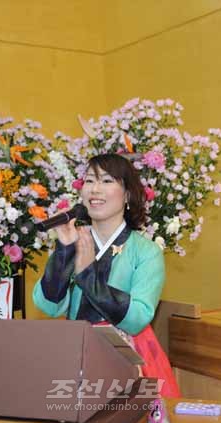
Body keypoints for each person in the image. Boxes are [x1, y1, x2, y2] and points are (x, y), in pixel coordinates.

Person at [33, 153, 180, 397]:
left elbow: (137, 317)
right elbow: (49, 306)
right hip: (75, 352)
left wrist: (88, 275)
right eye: (90, 181)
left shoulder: (146, 251)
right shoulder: (75, 240)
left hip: (128, 357)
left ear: (128, 194)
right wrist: (64, 251)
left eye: (107, 181)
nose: (95, 189)